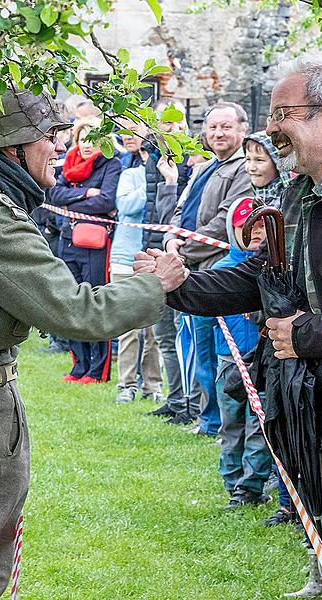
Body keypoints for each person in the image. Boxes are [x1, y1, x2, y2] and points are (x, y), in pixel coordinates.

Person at [0, 88, 185, 600]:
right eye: (48, 137)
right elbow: (78, 312)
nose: (58, 147)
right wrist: (157, 284)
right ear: (11, 150)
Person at [143, 57, 322, 595]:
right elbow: (260, 277)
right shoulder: (298, 193)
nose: (270, 128)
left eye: (283, 113)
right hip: (313, 396)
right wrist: (179, 287)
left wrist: (304, 335)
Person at [162, 102, 251, 433]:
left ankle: (218, 421)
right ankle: (206, 416)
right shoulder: (203, 169)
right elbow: (179, 209)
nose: (218, 133)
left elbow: (224, 221)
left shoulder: (244, 169)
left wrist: (184, 250)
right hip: (188, 265)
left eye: (226, 126)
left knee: (218, 352)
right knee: (197, 348)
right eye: (213, 127)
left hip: (215, 270)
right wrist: (172, 239)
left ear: (242, 129)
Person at [197, 197, 274, 508]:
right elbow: (202, 314)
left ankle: (251, 486)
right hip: (228, 361)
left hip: (260, 363)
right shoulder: (223, 269)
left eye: (260, 226)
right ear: (232, 230)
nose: (254, 232)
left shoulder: (272, 268)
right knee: (232, 426)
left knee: (259, 426)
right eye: (245, 226)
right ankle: (231, 479)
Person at [48, 117, 123, 384]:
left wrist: (78, 201)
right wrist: (85, 194)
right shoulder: (69, 164)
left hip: (94, 243)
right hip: (68, 240)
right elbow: (54, 195)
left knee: (95, 302)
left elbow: (106, 200)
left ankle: (97, 370)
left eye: (93, 139)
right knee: (71, 301)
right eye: (82, 139)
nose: (87, 145)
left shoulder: (111, 164)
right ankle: (79, 365)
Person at [143, 100, 192, 418]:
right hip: (152, 252)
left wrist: (171, 184)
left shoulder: (190, 163)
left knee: (181, 336)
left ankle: (190, 403)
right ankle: (175, 400)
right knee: (162, 335)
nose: (171, 128)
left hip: (179, 256)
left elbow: (175, 217)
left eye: (177, 122)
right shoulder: (153, 160)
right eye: (165, 122)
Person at [111, 120, 164, 404]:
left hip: (153, 258)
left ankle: (153, 384)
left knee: (154, 330)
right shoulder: (131, 174)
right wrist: (150, 181)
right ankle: (126, 383)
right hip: (125, 258)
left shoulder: (168, 177)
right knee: (128, 326)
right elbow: (127, 206)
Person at [243, 131, 291, 208]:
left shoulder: (288, 201)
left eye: (259, 160)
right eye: (248, 159)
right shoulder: (245, 198)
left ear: (277, 163)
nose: (252, 168)